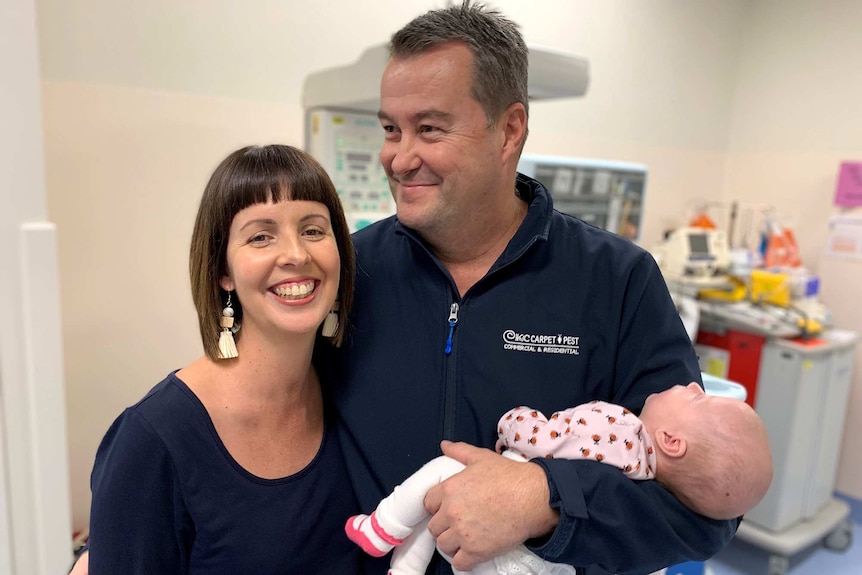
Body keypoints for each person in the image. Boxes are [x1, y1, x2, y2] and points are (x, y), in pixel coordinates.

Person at [72, 3, 739, 574]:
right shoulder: (352, 274)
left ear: (510, 130)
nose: (399, 155)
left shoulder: (616, 282)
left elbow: (706, 508)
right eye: (390, 128)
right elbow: (245, 406)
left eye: (429, 128)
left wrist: (547, 500)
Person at [84, 144, 360, 574]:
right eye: (260, 236)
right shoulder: (154, 439)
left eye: (313, 230)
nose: (296, 255)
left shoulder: (355, 390)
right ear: (222, 271)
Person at [343, 384, 773, 574]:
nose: (688, 384)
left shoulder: (620, 426)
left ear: (672, 442)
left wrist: (515, 424)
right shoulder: (643, 468)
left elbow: (544, 438)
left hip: (496, 523)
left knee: (441, 477)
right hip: (542, 563)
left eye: (698, 397)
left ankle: (383, 527)